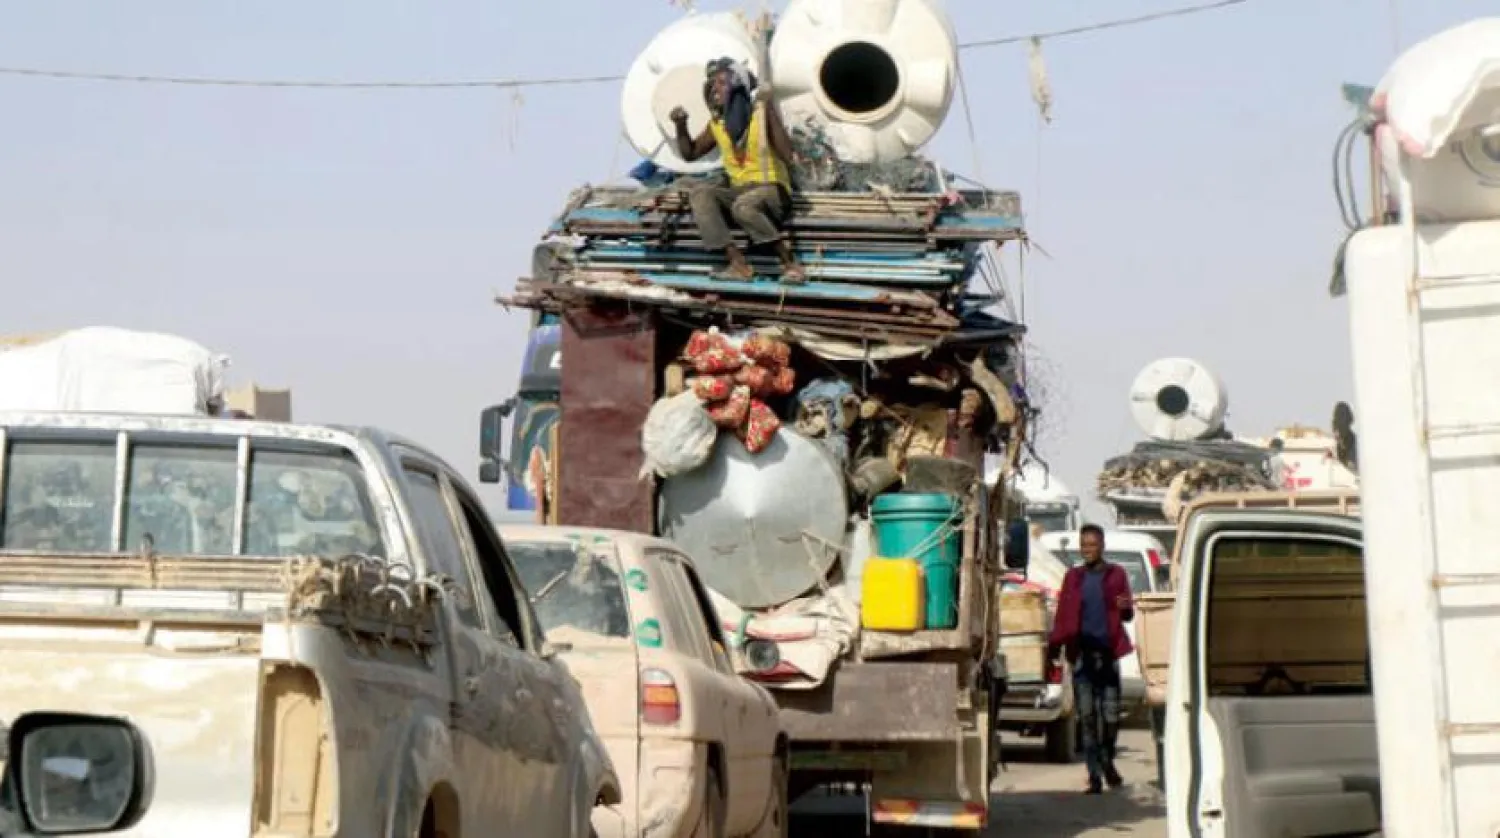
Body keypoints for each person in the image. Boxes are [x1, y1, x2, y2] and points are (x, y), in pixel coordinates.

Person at [669, 57, 805, 283]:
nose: (715, 90)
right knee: (701, 193)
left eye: (722, 84)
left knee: (743, 207)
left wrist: (768, 107)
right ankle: (737, 264)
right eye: (713, 86)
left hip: (771, 190)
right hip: (740, 191)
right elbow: (690, 154)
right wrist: (680, 125)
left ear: (737, 86)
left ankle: (790, 263)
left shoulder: (760, 114)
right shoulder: (719, 125)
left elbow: (787, 154)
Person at [1048, 523, 1135, 794]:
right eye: (1083, 545)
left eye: (1092, 545)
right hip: (1082, 658)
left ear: (1102, 546)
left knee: (1110, 718)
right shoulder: (1073, 577)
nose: (1087, 550)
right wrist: (1054, 646)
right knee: (1086, 718)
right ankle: (1094, 775)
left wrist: (1125, 608)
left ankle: (1107, 761)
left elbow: (1127, 613)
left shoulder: (1116, 575)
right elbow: (1063, 615)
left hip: (1108, 657)